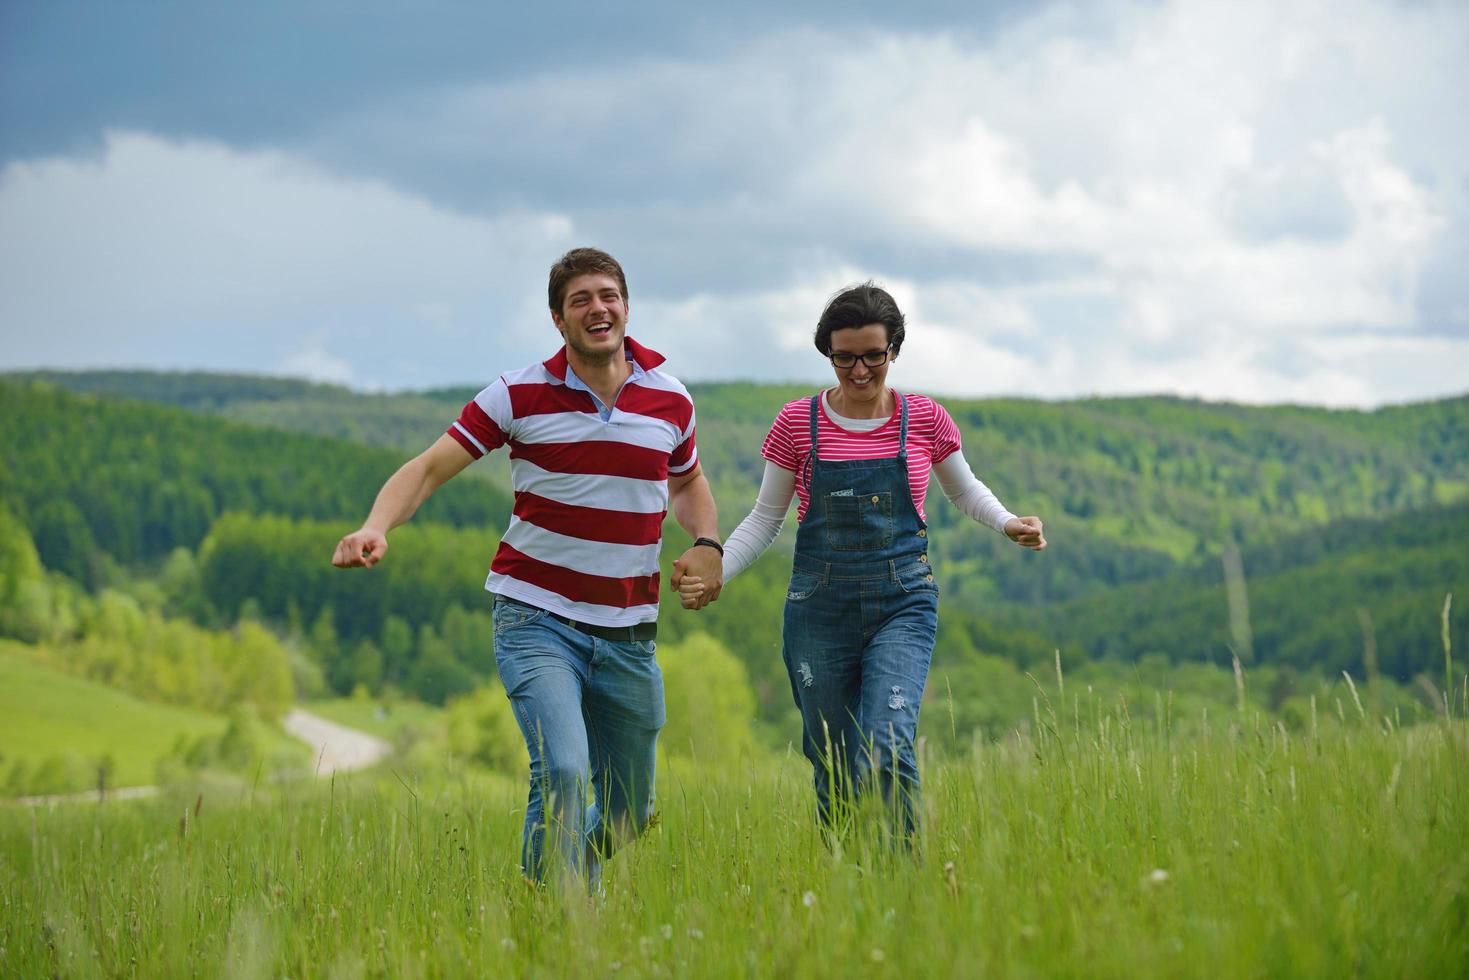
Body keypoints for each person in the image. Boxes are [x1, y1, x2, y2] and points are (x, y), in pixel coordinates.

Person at [332, 247, 724, 887]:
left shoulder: (671, 401)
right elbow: (430, 468)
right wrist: (376, 525)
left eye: (608, 295)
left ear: (626, 306)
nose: (598, 309)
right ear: (558, 319)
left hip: (629, 629)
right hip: (536, 618)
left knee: (631, 812)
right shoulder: (517, 394)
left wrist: (708, 542)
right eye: (581, 301)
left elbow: (688, 484)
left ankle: (565, 878)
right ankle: (561, 917)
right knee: (563, 772)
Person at [678, 282, 1044, 843]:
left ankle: (904, 877)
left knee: (886, 744)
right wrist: (717, 567)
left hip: (902, 602)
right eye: (844, 357)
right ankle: (851, 880)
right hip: (817, 610)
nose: (859, 369)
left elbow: (964, 491)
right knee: (832, 759)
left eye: (873, 355)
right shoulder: (797, 422)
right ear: (828, 353)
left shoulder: (924, 418)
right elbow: (765, 519)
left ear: (894, 348)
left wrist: (1007, 522)